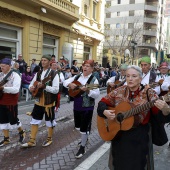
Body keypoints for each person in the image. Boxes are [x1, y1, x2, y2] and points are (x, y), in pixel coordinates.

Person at [97, 65, 170, 170]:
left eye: (134, 76)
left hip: (139, 138)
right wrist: (104, 111)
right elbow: (102, 102)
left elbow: (160, 116)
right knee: (118, 165)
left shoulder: (149, 93)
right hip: (119, 136)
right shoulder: (119, 90)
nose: (130, 79)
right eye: (127, 76)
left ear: (140, 78)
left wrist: (166, 109)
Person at [63, 59, 100, 158]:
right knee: (78, 127)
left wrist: (88, 91)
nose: (85, 67)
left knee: (84, 128)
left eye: (88, 66)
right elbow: (64, 81)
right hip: (77, 105)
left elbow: (97, 95)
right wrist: (69, 84)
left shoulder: (94, 80)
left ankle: (82, 148)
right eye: (84, 65)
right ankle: (85, 137)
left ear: (92, 69)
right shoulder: (77, 76)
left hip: (87, 107)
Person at [21, 55, 59, 148]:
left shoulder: (54, 74)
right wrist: (32, 87)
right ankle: (32, 141)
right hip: (38, 101)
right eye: (42, 60)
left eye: (45, 60)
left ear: (50, 62)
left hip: (49, 102)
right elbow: (32, 83)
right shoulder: (38, 73)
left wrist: (45, 87)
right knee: (34, 120)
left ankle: (49, 139)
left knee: (49, 122)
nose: (43, 62)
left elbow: (56, 90)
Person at [0, 58, 25, 146]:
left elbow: (16, 89)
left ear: (9, 66)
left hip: (11, 101)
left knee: (13, 120)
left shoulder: (15, 75)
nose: (1, 67)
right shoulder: (0, 75)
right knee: (3, 121)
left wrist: (3, 88)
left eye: (3, 66)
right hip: (1, 100)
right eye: (1, 65)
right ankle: (6, 138)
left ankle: (22, 132)